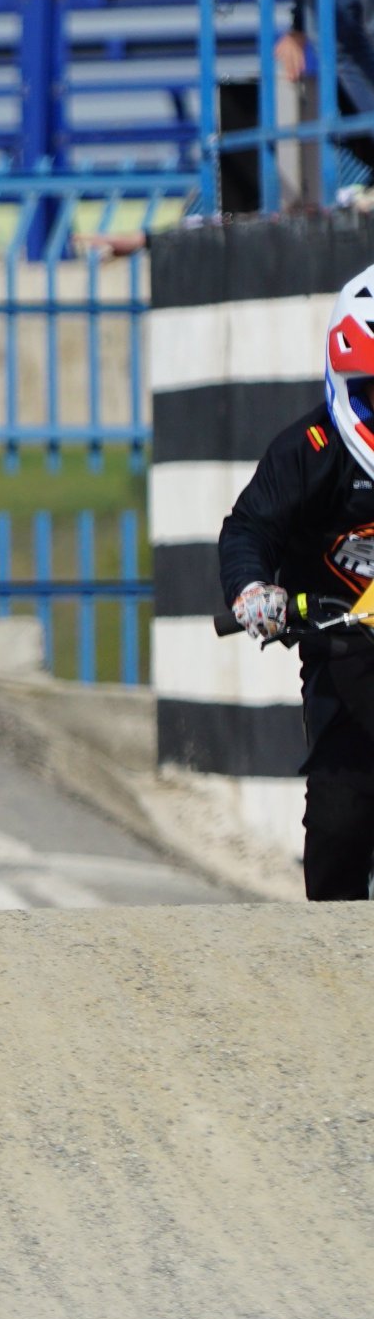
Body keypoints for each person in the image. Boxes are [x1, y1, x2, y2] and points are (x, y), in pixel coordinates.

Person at [221, 262, 374, 896]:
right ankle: (335, 942)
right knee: (341, 813)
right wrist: (253, 591)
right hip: (346, 651)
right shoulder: (309, 449)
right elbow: (249, 528)